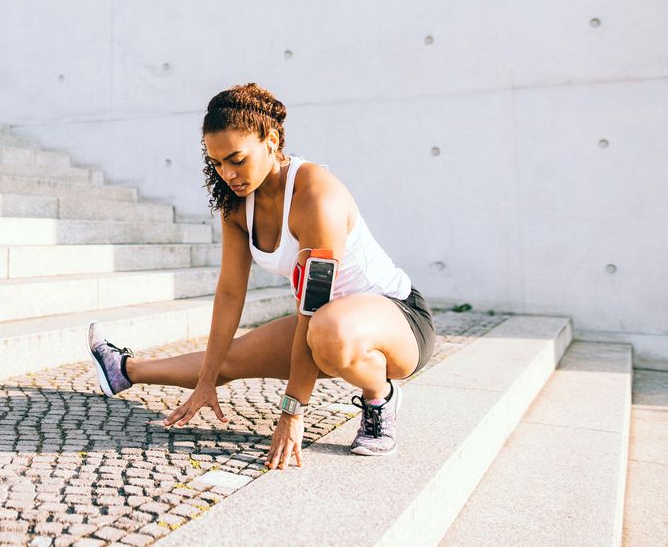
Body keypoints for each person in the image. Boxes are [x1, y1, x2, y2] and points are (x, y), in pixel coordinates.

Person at [86, 83, 435, 469]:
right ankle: (123, 369)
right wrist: (206, 381)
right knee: (227, 361)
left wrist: (292, 413)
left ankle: (379, 397)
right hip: (325, 321)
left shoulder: (316, 196)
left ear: (271, 140)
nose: (228, 174)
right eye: (217, 163)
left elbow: (312, 303)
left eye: (237, 159)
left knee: (328, 329)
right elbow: (230, 292)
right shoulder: (235, 203)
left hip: (398, 322)